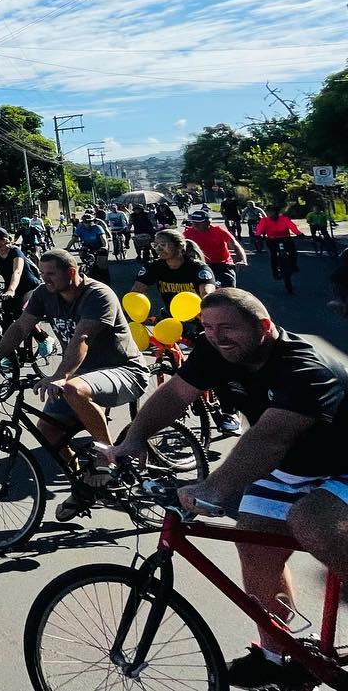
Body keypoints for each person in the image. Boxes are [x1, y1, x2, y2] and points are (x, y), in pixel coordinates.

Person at [103, 289, 348, 689]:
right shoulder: (214, 350)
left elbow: (269, 439)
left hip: (342, 465)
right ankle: (275, 656)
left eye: (228, 328)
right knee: (254, 541)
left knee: (313, 521)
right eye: (208, 327)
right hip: (293, 468)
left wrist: (213, 488)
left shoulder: (305, 367)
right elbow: (175, 394)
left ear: (264, 328)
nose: (216, 337)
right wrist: (134, 437)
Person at [0, 249, 148, 520]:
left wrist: (60, 375)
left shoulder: (98, 294)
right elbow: (22, 327)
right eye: (42, 274)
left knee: (73, 388)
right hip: (80, 376)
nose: (45, 279)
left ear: (71, 272)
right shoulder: (45, 295)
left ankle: (106, 457)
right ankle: (83, 487)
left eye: (51, 274)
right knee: (48, 433)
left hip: (123, 370)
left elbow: (82, 338)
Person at [131, 228, 216, 316]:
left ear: (180, 246)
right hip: (170, 317)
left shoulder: (198, 268)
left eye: (163, 245)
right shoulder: (153, 266)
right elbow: (136, 291)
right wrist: (140, 313)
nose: (158, 249)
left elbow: (207, 295)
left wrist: (204, 315)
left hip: (198, 317)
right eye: (155, 245)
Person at [184, 208, 249, 287]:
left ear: (208, 222)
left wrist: (242, 260)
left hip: (222, 265)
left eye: (199, 223)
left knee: (228, 288)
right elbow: (180, 247)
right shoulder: (188, 233)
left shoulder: (219, 231)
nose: (195, 226)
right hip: (201, 264)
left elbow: (235, 245)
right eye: (193, 223)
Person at [256, 206, 303, 293]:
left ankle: (293, 265)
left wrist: (299, 233)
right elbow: (260, 229)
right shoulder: (264, 220)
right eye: (269, 212)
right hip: (272, 240)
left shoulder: (284, 219)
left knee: (293, 252)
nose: (271, 214)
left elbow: (292, 227)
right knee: (273, 255)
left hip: (285, 238)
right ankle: (275, 272)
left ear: (276, 212)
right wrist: (258, 235)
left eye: (273, 212)